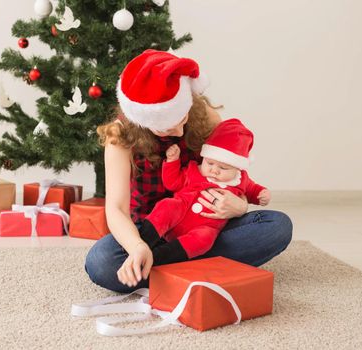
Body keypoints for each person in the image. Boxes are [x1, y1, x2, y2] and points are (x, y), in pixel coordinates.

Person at [85, 49, 292, 293]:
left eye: (183, 119)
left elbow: (232, 171)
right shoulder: (120, 137)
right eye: (168, 128)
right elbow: (116, 210)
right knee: (101, 262)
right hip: (153, 231)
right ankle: (193, 266)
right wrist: (138, 247)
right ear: (144, 122)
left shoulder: (202, 113)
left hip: (204, 226)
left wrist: (241, 205)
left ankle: (164, 268)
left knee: (278, 225)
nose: (180, 132)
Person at [141, 118, 271, 266]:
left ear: (237, 169)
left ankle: (161, 257)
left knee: (205, 239)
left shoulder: (241, 180)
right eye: (210, 163)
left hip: (207, 226)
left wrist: (262, 194)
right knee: (167, 206)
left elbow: (252, 189)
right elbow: (172, 183)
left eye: (223, 168)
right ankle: (142, 241)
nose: (214, 170)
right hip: (179, 213)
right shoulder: (193, 171)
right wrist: (172, 161)